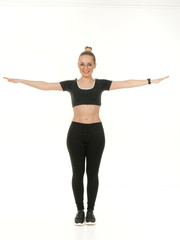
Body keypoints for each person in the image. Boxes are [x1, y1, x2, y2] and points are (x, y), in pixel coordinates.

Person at [3, 46, 169, 226]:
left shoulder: (101, 84)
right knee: (77, 173)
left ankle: (90, 211)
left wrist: (151, 81)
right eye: (82, 64)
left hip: (96, 134)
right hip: (75, 134)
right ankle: (79, 210)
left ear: (95, 65)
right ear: (78, 65)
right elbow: (45, 85)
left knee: (92, 174)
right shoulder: (71, 85)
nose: (86, 68)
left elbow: (125, 83)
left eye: (89, 64)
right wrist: (20, 80)